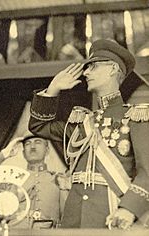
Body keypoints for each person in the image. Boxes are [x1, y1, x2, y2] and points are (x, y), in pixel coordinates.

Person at [29, 39, 149, 229]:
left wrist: (128, 209)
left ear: (112, 69)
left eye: (93, 67)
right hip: (73, 217)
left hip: (111, 214)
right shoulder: (83, 122)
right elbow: (39, 127)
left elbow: (147, 172)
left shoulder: (135, 118)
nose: (86, 72)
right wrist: (53, 89)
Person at [16, 132, 68, 229]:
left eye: (38, 142)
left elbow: (66, 215)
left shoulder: (59, 180)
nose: (32, 147)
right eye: (28, 144)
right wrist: (3, 154)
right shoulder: (13, 180)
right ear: (23, 153)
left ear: (47, 150)